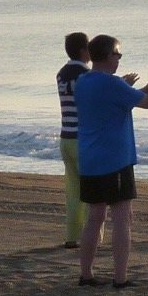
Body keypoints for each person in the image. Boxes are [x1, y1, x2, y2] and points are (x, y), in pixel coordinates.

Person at [73, 34, 148, 287]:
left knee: (95, 217)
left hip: (90, 159)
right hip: (114, 160)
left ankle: (86, 274)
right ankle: (120, 278)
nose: (119, 59)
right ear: (108, 55)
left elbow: (121, 101)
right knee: (122, 218)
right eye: (118, 54)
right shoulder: (111, 83)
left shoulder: (84, 81)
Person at [55, 32, 91, 248]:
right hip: (83, 138)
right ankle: (90, 236)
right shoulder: (86, 75)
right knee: (91, 192)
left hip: (66, 136)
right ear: (83, 50)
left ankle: (72, 235)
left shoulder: (62, 73)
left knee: (73, 190)